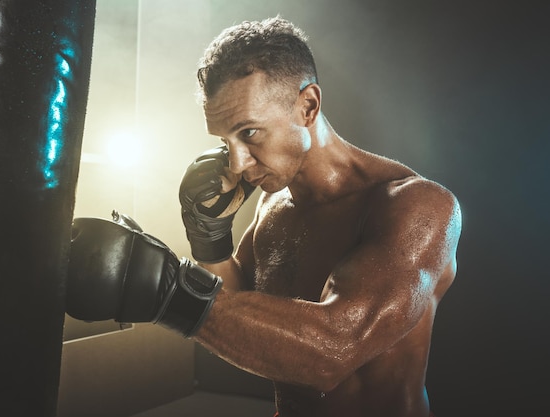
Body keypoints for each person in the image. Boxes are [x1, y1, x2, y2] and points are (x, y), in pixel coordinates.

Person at [67, 16, 461, 417]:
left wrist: (167, 292)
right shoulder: (272, 207)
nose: (236, 163)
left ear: (307, 106)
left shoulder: (417, 208)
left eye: (250, 133)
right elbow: (239, 316)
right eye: (225, 141)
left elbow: (333, 352)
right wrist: (211, 238)